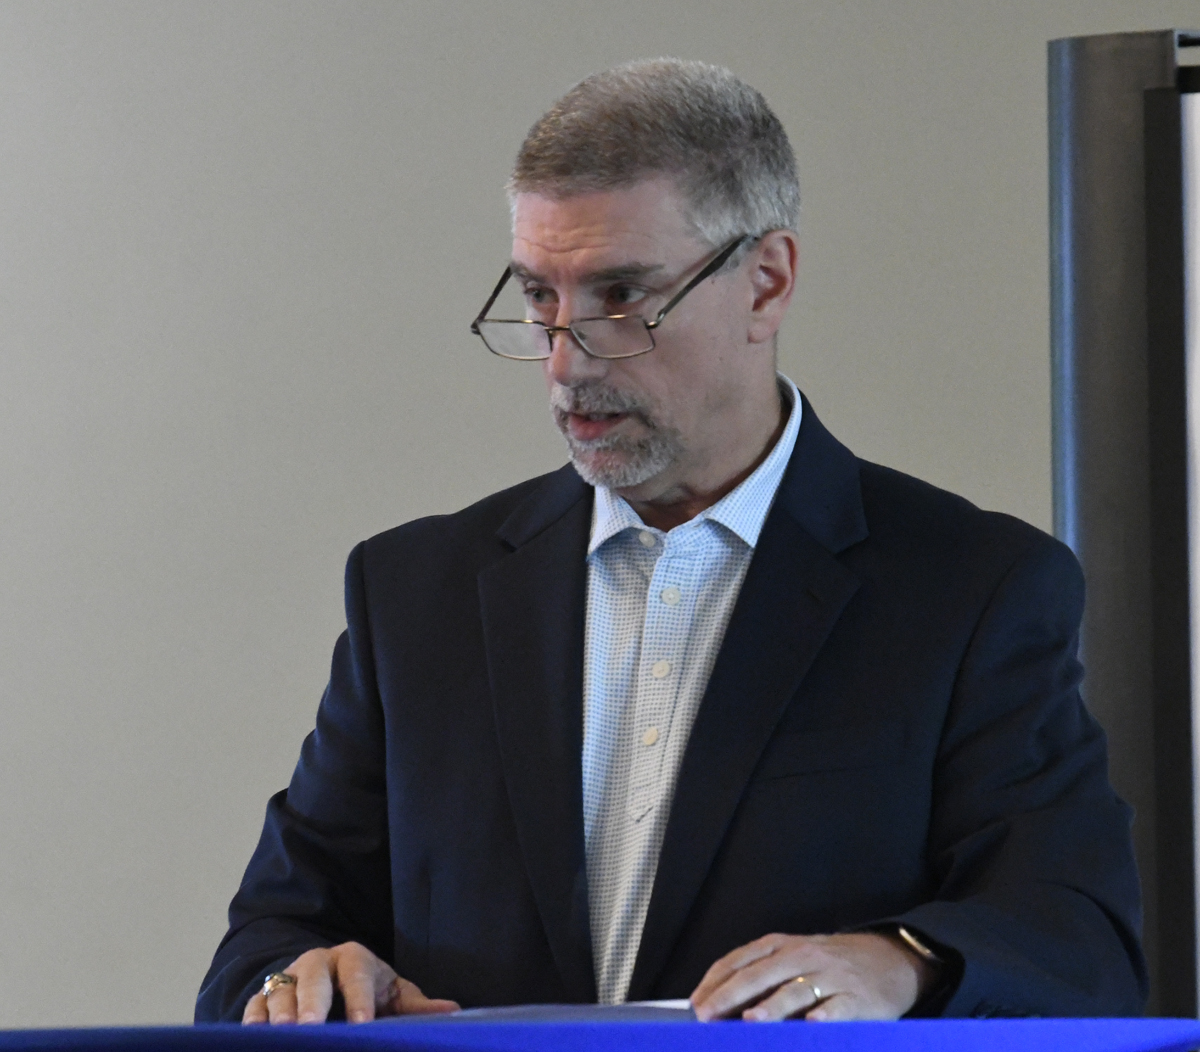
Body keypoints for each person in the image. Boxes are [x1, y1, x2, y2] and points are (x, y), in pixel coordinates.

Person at [195, 58, 1146, 1025]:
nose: (565, 362)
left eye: (620, 297)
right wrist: (298, 981)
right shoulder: (414, 593)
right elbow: (266, 942)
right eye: (539, 297)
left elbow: (1079, 940)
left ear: (766, 284)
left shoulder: (973, 588)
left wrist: (900, 963)